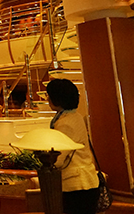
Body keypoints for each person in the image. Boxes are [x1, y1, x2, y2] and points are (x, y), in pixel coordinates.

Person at [47, 78, 99, 214]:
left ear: (57, 99)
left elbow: (58, 159)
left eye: (49, 96)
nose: (47, 99)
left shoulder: (65, 123)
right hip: (86, 182)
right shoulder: (75, 116)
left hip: (76, 185)